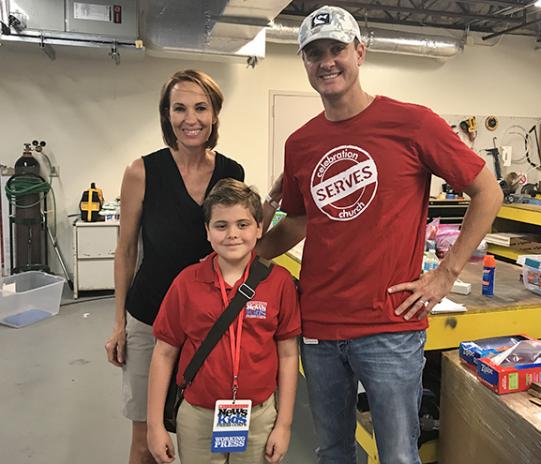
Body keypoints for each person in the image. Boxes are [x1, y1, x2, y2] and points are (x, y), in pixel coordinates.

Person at [256, 5, 504, 464]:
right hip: (319, 325)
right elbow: (297, 220)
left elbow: (487, 191)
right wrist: (242, 258)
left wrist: (446, 274)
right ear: (305, 64)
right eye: (314, 53)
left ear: (360, 52)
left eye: (336, 49)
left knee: (397, 455)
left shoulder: (413, 123)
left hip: (389, 326)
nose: (326, 61)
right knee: (333, 451)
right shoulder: (301, 143)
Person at [104, 69, 245, 464]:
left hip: (212, 324)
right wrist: (119, 324)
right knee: (147, 440)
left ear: (215, 114)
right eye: (179, 108)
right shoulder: (142, 172)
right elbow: (125, 250)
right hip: (149, 319)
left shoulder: (231, 173)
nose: (190, 118)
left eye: (201, 108)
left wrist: (270, 201)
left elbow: (239, 241)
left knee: (215, 437)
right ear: (166, 116)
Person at [146, 178, 300, 464]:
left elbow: (288, 354)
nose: (232, 234)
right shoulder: (186, 283)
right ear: (207, 231)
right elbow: (164, 353)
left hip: (259, 416)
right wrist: (155, 425)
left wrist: (284, 424)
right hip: (198, 416)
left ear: (259, 228)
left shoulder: (278, 283)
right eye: (221, 225)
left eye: (243, 224)